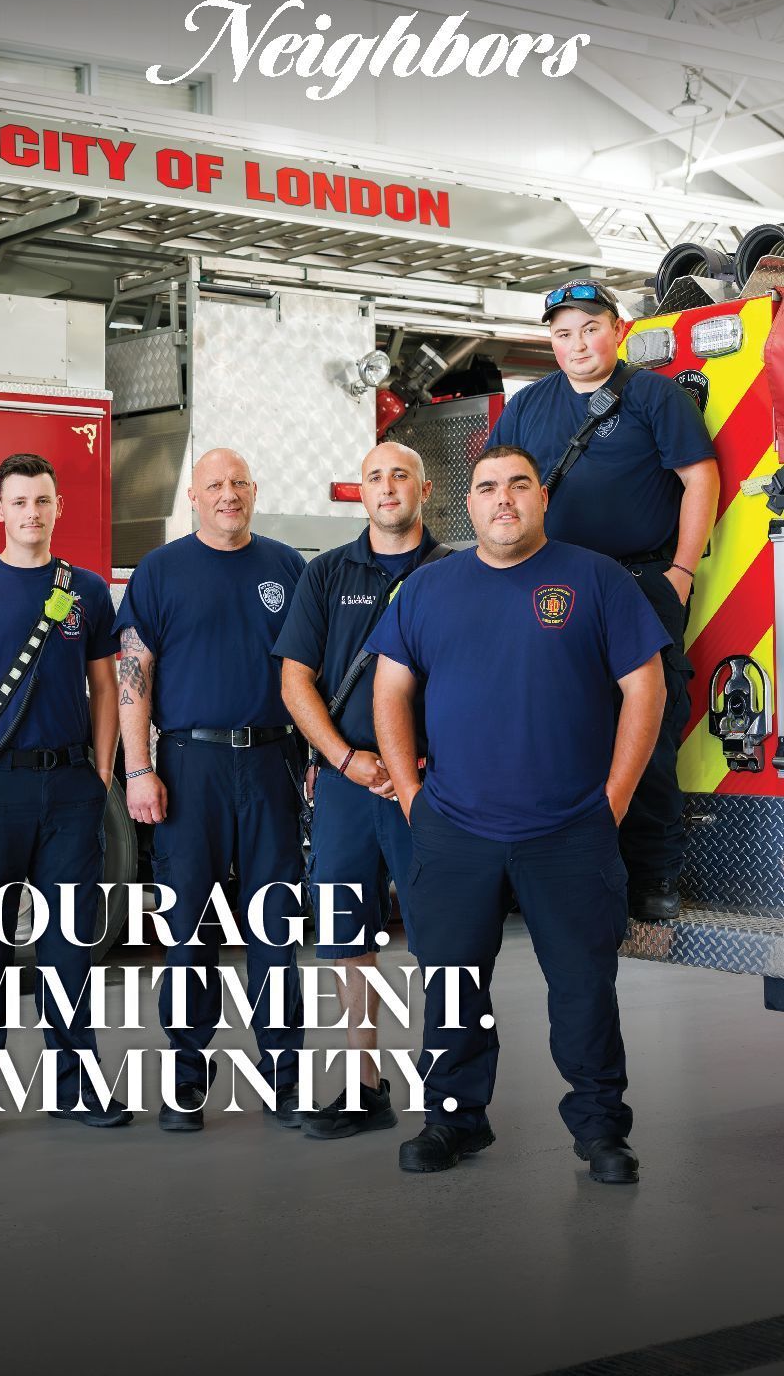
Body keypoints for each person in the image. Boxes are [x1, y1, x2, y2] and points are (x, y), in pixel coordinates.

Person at [370, 445, 669, 1185]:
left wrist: (615, 798)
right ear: (465, 506)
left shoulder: (596, 579)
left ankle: (601, 1131)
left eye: (518, 485)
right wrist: (412, 795)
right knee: (451, 987)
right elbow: (389, 693)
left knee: (583, 991)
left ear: (541, 498)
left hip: (570, 830)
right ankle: (452, 1120)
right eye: (487, 488)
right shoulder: (428, 589)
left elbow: (646, 687)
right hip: (456, 829)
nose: (503, 499)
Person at [486, 279, 719, 920]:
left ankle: (652, 877)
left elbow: (701, 477)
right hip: (551, 589)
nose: (578, 343)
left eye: (590, 327)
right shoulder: (528, 407)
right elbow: (496, 489)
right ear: (550, 343)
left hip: (640, 584)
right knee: (557, 729)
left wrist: (679, 571)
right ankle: (566, 877)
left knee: (650, 733)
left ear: (618, 329)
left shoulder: (652, 396)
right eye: (563, 333)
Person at [0, 451, 131, 1135]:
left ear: (58, 507)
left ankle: (75, 1084)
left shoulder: (88, 593)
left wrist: (101, 771)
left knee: (69, 945)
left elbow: (105, 686)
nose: (31, 513)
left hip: (71, 788)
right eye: (18, 502)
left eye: (42, 501)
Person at [115, 447, 307, 1132]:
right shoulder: (162, 571)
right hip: (188, 769)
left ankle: (285, 1079)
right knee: (187, 933)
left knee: (274, 931)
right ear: (192, 495)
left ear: (254, 492)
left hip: (270, 764)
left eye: (239, 483)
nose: (228, 493)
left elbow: (305, 671)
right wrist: (138, 769)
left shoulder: (288, 567)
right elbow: (132, 672)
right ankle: (186, 1080)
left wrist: (313, 752)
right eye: (215, 484)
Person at [276, 441, 445, 1140]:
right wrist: (343, 759)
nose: (387, 486)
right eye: (375, 476)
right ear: (362, 492)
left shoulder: (455, 574)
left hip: (432, 785)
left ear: (425, 490)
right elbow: (295, 680)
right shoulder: (324, 575)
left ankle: (452, 1095)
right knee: (349, 934)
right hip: (350, 784)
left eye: (400, 474)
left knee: (445, 935)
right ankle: (365, 1085)